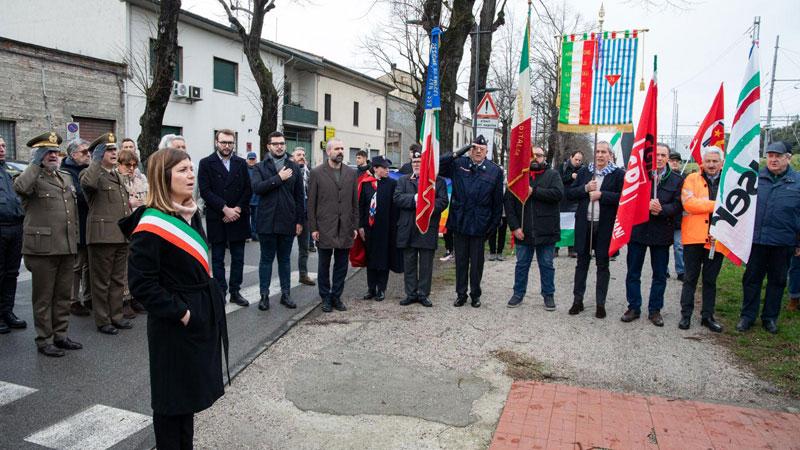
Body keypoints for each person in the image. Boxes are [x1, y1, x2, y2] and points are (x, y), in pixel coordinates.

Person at [121, 148, 227, 450]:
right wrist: (183, 313)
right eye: (182, 170)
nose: (190, 174)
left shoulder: (190, 214)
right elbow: (142, 284)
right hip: (173, 326)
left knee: (188, 398)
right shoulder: (152, 225)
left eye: (191, 168)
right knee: (171, 402)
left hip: (195, 319)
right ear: (162, 177)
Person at [14, 131, 80, 356]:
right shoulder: (31, 177)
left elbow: (73, 213)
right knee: (43, 297)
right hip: (43, 248)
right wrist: (34, 163)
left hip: (66, 245)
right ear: (38, 155)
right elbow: (21, 188)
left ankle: (60, 335)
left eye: (55, 152)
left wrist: (76, 239)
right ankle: (44, 339)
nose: (53, 155)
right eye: (47, 152)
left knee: (62, 295)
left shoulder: (65, 177)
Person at [737, 141, 800, 334]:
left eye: (777, 156)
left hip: (783, 242)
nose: (772, 160)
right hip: (756, 241)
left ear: (787, 158)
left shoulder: (797, 181)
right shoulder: (755, 178)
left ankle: (770, 318)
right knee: (751, 279)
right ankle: (747, 316)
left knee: (777, 281)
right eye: (770, 156)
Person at [620, 143, 683, 327]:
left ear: (668, 158)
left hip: (661, 233)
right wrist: (645, 205)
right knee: (633, 272)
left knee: (659, 275)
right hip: (639, 231)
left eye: (664, 155)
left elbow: (679, 205)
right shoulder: (638, 177)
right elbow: (629, 199)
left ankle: (655, 310)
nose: (660, 158)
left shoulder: (677, 180)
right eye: (657, 155)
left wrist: (662, 209)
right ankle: (634, 307)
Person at [439, 135, 504, 307]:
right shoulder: (459, 164)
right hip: (460, 222)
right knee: (461, 261)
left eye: (481, 149)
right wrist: (463, 149)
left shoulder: (494, 171)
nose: (478, 152)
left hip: (479, 224)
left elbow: (497, 202)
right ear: (470, 150)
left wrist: (493, 226)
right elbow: (439, 164)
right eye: (475, 148)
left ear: (486, 151)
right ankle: (461, 294)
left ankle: (475, 294)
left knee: (476, 263)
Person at [81, 133, 132, 335]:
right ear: (99, 153)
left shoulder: (116, 174)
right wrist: (95, 160)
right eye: (108, 150)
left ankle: (116, 316)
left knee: (118, 279)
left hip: (120, 234)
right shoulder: (90, 173)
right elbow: (88, 185)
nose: (113, 153)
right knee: (101, 282)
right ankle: (103, 320)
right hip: (102, 236)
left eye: (113, 149)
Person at [566, 141, 624, 318]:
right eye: (597, 151)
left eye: (603, 152)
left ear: (609, 155)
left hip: (604, 226)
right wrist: (585, 189)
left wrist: (602, 195)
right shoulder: (584, 172)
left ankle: (600, 304)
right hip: (585, 224)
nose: (599, 155)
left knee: (602, 264)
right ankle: (578, 301)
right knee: (581, 263)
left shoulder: (618, 174)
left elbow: (622, 197)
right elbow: (570, 193)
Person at [251, 131, 304, 311]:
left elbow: (299, 197)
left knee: (285, 259)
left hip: (287, 221)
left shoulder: (294, 166)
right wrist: (278, 179)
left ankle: (286, 294)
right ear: (269, 146)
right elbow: (258, 188)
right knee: (266, 259)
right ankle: (264, 295)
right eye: (275, 144)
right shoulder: (260, 167)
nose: (279, 146)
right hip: (266, 221)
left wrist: (299, 221)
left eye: (282, 143)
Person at [505, 147, 564, 310]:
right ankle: (518, 293)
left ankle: (548, 294)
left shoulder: (553, 175)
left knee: (546, 264)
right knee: (522, 264)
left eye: (539, 155)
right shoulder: (518, 176)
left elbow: (558, 194)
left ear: (544, 158)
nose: (535, 158)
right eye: (532, 155)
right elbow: (509, 204)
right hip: (523, 231)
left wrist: (534, 191)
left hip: (547, 230)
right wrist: (515, 227)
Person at [198, 129, 251, 307]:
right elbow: (205, 191)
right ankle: (221, 291)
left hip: (238, 216)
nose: (227, 146)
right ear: (216, 142)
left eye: (230, 143)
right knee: (218, 258)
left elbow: (247, 189)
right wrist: (224, 209)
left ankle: (236, 291)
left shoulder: (241, 163)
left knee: (238, 258)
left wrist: (236, 209)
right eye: (223, 143)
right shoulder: (206, 163)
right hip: (217, 216)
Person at [678, 147, 726, 332]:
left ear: (721, 163)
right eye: (708, 161)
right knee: (690, 278)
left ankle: (708, 316)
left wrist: (707, 205)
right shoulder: (691, 179)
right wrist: (717, 205)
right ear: (702, 162)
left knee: (710, 280)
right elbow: (689, 203)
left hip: (717, 239)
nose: (711, 165)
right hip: (693, 238)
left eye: (715, 161)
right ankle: (686, 315)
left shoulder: (729, 182)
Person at [307, 139, 359, 312]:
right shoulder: (317, 173)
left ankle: (336, 296)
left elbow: (354, 202)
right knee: (324, 264)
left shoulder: (351, 173)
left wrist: (355, 226)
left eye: (342, 148)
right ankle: (325, 297)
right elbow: (311, 203)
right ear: (328, 152)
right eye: (337, 148)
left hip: (345, 227)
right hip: (324, 227)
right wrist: (313, 228)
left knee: (342, 265)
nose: (341, 151)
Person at [394, 150, 448, 306]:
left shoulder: (437, 181)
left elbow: (443, 201)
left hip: (427, 228)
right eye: (414, 163)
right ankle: (411, 293)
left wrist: (427, 205)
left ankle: (423, 294)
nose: (416, 165)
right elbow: (397, 198)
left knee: (426, 264)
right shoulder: (403, 180)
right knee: (409, 263)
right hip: (408, 228)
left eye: (419, 162)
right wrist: (415, 199)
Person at [358, 155, 399, 301]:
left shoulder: (392, 184)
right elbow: (361, 206)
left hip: (385, 228)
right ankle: (371, 288)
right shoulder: (366, 183)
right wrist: (361, 226)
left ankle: (381, 288)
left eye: (388, 167)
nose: (387, 170)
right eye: (384, 168)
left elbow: (395, 208)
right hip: (369, 228)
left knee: (383, 259)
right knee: (371, 258)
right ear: (375, 168)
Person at [61, 139, 93, 317]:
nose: (88, 155)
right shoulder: (66, 172)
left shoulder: (87, 169)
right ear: (73, 155)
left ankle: (88, 297)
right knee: (77, 264)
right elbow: (80, 195)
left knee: (89, 263)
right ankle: (73, 300)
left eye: (89, 152)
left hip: (90, 222)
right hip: (77, 222)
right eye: (84, 152)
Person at [0, 135, 27, 335]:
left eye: (3, 145)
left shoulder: (7, 170)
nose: (2, 149)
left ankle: (7, 312)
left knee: (11, 273)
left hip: (15, 227)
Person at [118, 148, 149, 317]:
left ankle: (135, 296)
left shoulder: (141, 179)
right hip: (124, 224)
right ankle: (124, 299)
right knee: (123, 267)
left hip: (139, 224)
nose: (131, 168)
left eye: (134, 165)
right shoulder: (117, 179)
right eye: (127, 165)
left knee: (136, 264)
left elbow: (148, 197)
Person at [291, 147, 315, 286]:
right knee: (285, 249)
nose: (302, 157)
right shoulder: (288, 171)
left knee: (304, 247)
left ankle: (303, 274)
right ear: (293, 157)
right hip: (290, 214)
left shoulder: (310, 173)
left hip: (305, 214)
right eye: (298, 154)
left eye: (303, 155)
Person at [558, 150, 584, 257]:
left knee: (572, 226)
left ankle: (572, 249)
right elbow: (558, 179)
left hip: (575, 201)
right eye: (576, 159)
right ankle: (556, 248)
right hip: (562, 200)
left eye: (579, 160)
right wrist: (570, 176)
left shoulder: (583, 170)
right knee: (559, 225)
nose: (577, 162)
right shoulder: (562, 167)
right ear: (571, 157)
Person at [668, 152, 685, 281]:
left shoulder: (684, 177)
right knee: (664, 247)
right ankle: (664, 270)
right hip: (666, 219)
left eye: (677, 161)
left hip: (680, 219)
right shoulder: (664, 177)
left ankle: (681, 270)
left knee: (679, 246)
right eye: (672, 160)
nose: (674, 163)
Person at [487, 183, 507, 261]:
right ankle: (492, 252)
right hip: (493, 214)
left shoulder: (507, 186)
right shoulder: (492, 184)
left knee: (502, 233)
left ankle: (500, 252)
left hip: (504, 214)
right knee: (492, 233)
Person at [246, 152, 259, 242]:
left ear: (256, 159)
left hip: (257, 198)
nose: (251, 161)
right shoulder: (244, 169)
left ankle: (254, 234)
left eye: (253, 159)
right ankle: (247, 234)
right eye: (250, 159)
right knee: (246, 218)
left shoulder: (259, 169)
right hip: (247, 199)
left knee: (256, 218)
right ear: (247, 160)